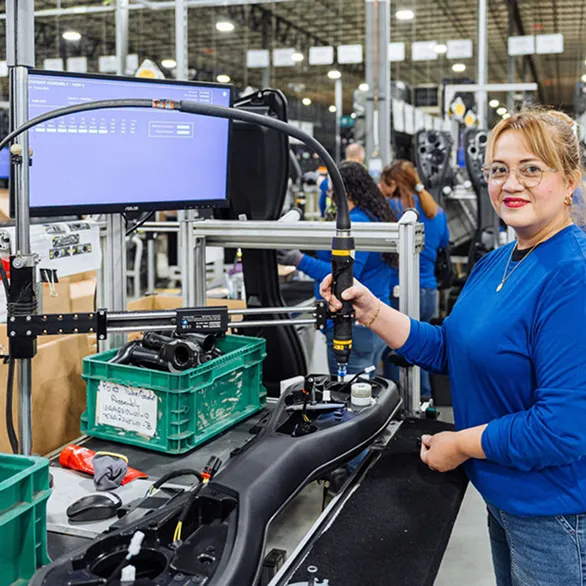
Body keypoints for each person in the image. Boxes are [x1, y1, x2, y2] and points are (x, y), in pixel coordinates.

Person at [320, 109, 586, 585]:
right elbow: (450, 348)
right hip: (504, 498)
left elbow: (563, 429)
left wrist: (460, 445)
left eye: (531, 168)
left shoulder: (572, 275)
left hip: (556, 515)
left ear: (570, 181)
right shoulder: (497, 261)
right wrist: (372, 310)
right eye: (499, 170)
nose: (511, 183)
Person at [278, 161, 398, 376]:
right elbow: (330, 186)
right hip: (372, 323)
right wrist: (318, 180)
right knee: (365, 390)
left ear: (346, 191)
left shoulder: (357, 223)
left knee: (348, 395)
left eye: (333, 189)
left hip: (353, 326)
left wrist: (298, 260)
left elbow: (347, 276)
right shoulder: (372, 214)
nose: (329, 193)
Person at [378, 160, 450, 398]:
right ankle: (426, 407)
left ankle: (394, 411)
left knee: (394, 356)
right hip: (428, 293)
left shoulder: (390, 209)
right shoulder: (437, 212)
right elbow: (441, 245)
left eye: (383, 183)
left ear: (394, 184)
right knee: (423, 353)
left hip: (400, 292)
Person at [319, 143, 366, 217]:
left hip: (332, 216)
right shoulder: (360, 174)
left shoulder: (336, 171)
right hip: (352, 217)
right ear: (360, 157)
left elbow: (323, 194)